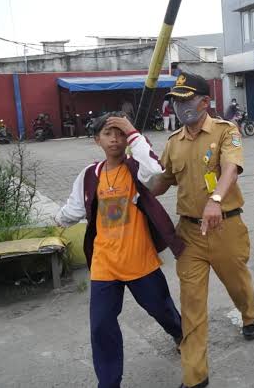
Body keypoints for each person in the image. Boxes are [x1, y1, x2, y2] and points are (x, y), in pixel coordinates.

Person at [55, 111, 184, 388]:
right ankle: (109, 382)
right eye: (108, 133)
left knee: (161, 309)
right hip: (104, 263)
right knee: (101, 325)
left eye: (120, 133)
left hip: (139, 260)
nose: (115, 139)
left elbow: (157, 171)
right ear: (96, 140)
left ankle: (180, 334)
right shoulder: (90, 174)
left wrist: (134, 132)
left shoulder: (136, 169)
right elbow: (76, 207)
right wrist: (58, 220)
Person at [151, 72, 254, 388]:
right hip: (188, 235)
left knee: (238, 284)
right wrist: (136, 189)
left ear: (204, 102)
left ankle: (249, 315)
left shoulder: (228, 131)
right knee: (192, 305)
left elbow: (231, 168)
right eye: (176, 100)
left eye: (186, 100)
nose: (181, 106)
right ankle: (195, 375)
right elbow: (162, 180)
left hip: (225, 227)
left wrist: (215, 199)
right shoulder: (173, 143)